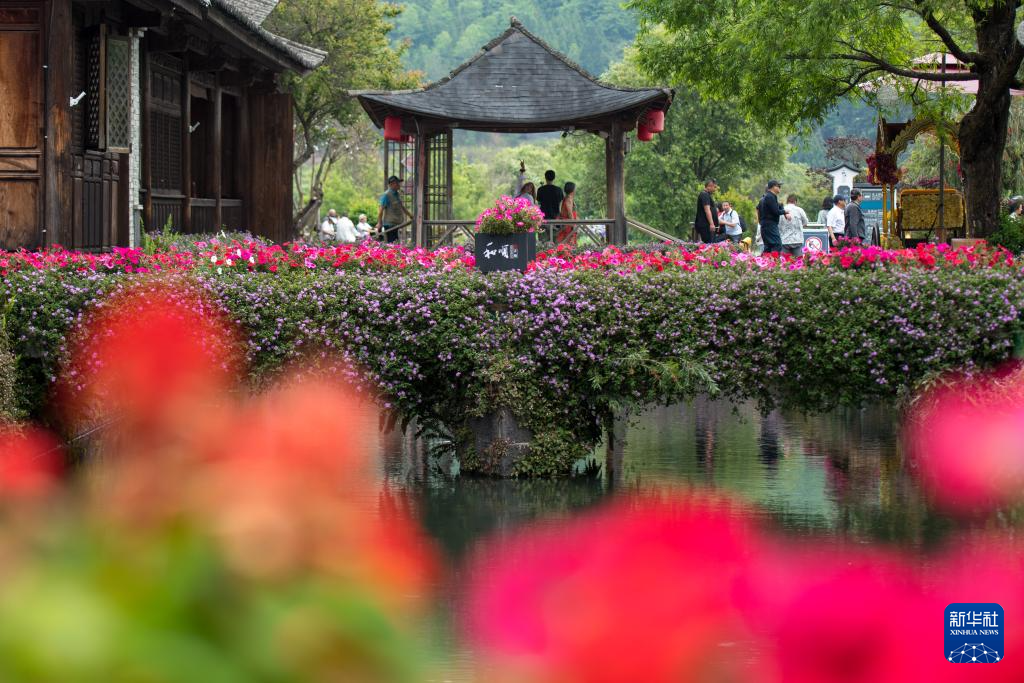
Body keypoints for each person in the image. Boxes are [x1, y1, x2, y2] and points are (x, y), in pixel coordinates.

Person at [375, 175, 412, 244]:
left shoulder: (397, 194)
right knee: (392, 244)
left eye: (399, 183)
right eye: (397, 183)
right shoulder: (386, 195)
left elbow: (402, 206)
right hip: (389, 225)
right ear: (391, 184)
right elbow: (381, 210)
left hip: (396, 224)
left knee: (395, 243)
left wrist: (410, 215)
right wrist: (379, 223)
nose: (399, 185)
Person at [758, 180, 790, 254]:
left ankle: (763, 261)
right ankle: (774, 261)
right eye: (778, 186)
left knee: (768, 247)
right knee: (777, 245)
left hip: (766, 225)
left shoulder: (768, 197)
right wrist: (785, 211)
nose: (780, 188)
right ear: (773, 187)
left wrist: (783, 211)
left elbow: (779, 205)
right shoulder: (770, 196)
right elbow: (776, 211)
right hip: (770, 225)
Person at [556, 181, 578, 246]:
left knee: (567, 243)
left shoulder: (567, 198)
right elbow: (570, 213)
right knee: (568, 243)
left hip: (568, 223)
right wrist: (574, 225)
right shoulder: (569, 198)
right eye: (575, 188)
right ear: (572, 189)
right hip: (569, 224)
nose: (575, 190)